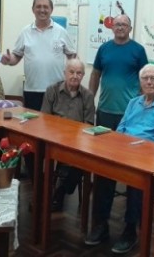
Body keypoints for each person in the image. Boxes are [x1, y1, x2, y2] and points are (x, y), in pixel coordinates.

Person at [84, 63, 154, 254]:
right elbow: (121, 130)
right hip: (123, 153)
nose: (149, 82)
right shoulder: (133, 102)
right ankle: (101, 225)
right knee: (102, 175)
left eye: (153, 78)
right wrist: (119, 149)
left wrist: (142, 153)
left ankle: (129, 231)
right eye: (145, 78)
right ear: (140, 82)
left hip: (147, 160)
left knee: (138, 185)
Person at [1, 0, 76, 111]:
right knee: (32, 127)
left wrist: (73, 76)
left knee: (57, 126)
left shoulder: (61, 32)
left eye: (46, 7)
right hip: (32, 90)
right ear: (33, 10)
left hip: (57, 90)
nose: (42, 10)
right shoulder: (25, 32)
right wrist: (9, 60)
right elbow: (16, 56)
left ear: (51, 9)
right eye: (38, 6)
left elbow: (72, 56)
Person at [40, 58, 95, 211]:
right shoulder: (52, 91)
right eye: (71, 72)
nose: (75, 76)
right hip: (54, 139)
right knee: (34, 154)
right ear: (65, 73)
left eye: (79, 73)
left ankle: (61, 192)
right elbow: (44, 119)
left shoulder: (88, 96)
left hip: (77, 142)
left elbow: (89, 124)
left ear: (83, 76)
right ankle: (42, 193)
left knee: (83, 160)